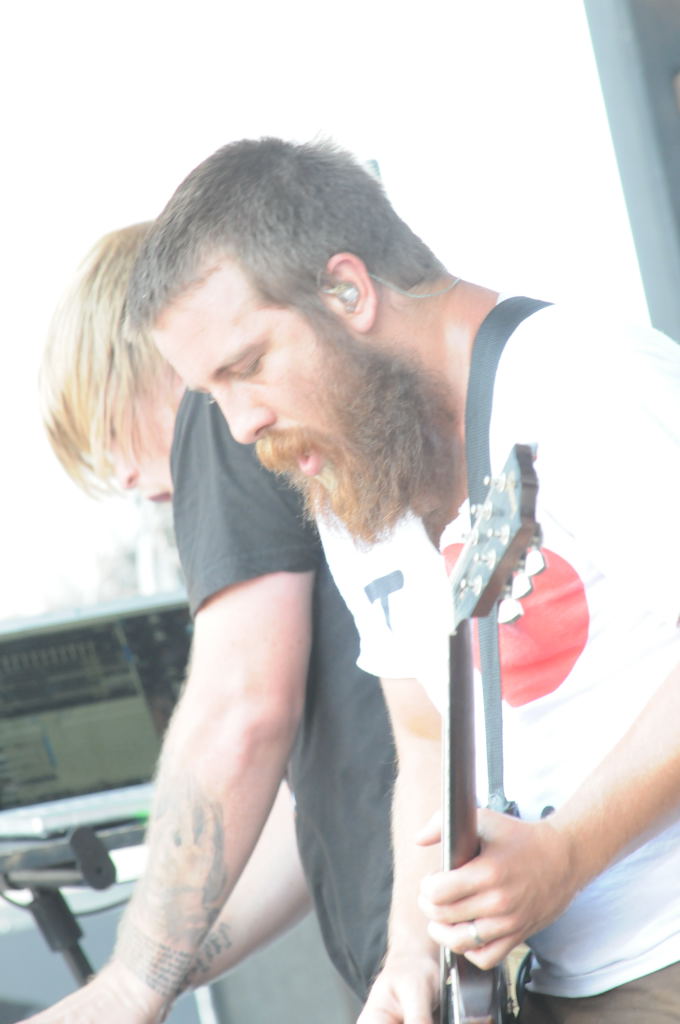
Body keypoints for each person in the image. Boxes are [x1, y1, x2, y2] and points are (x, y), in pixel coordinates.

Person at [124, 137, 680, 1024]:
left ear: (349, 291)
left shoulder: (584, 380)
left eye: (247, 365)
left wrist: (570, 853)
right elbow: (424, 734)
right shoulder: (355, 479)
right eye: (209, 393)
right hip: (563, 979)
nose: (239, 427)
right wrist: (411, 958)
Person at [28, 222, 395, 1023]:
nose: (124, 476)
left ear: (151, 361)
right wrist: (152, 968)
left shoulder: (214, 425)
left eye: (108, 435)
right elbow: (305, 821)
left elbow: (241, 712)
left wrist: (130, 986)